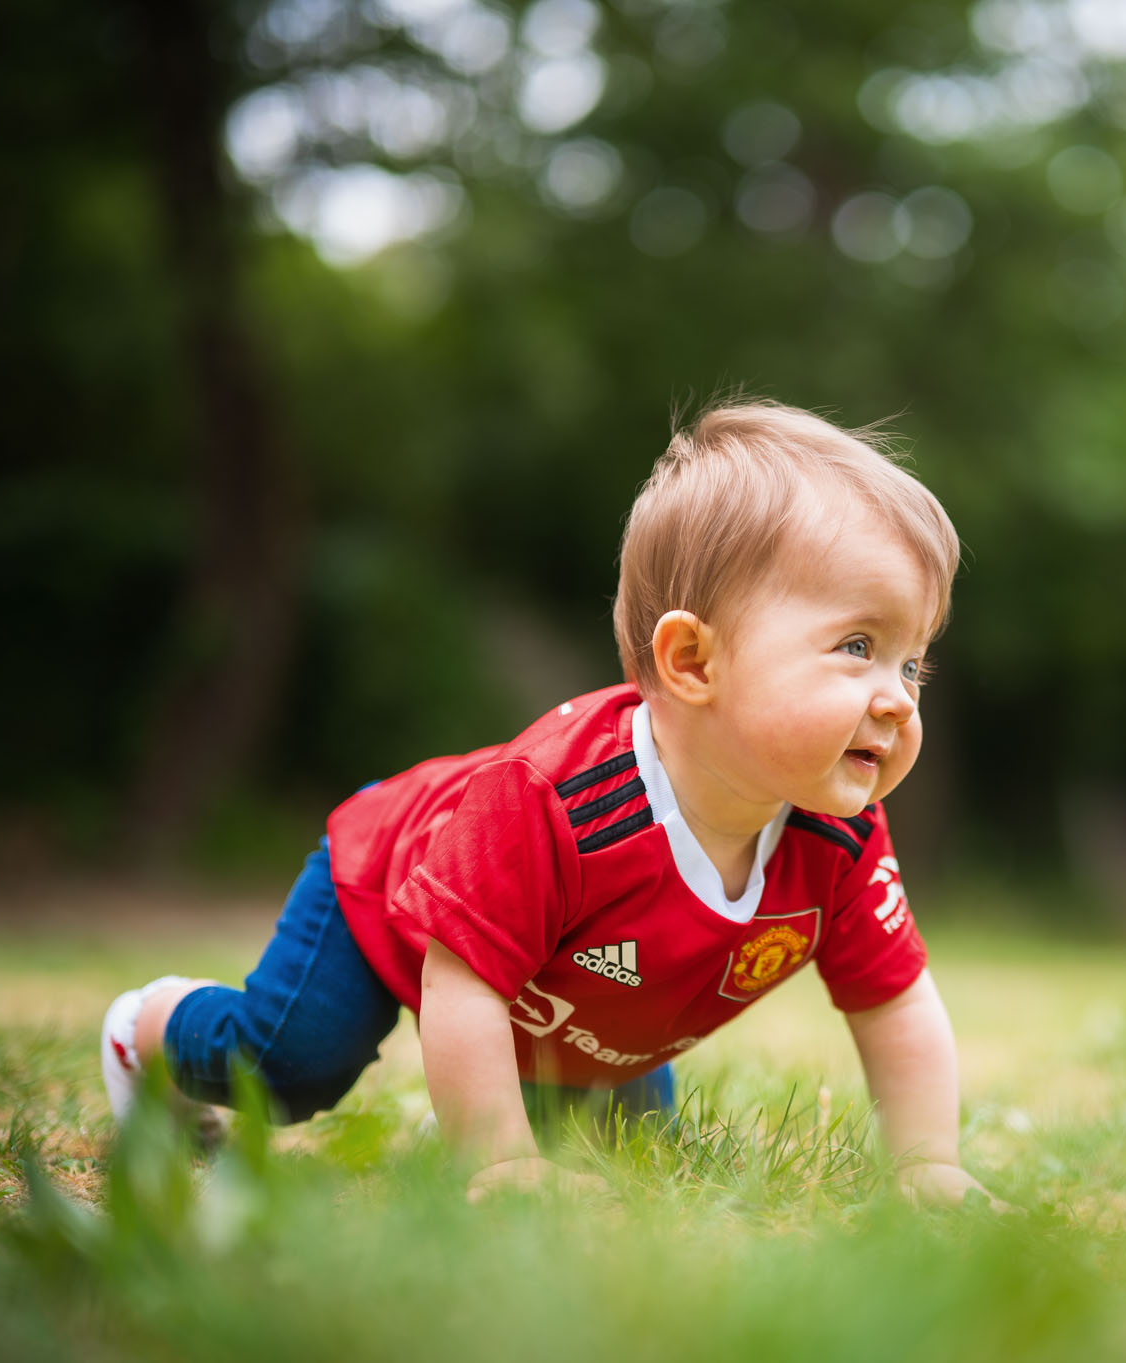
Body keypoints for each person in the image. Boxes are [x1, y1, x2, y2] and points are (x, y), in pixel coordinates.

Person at [99, 399, 995, 1206]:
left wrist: (927, 1164)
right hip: (391, 883)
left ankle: (530, 1102)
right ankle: (147, 1031)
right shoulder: (558, 801)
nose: (899, 697)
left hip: (572, 1003)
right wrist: (495, 1162)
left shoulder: (839, 835)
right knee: (292, 1067)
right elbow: (463, 978)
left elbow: (897, 1002)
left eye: (912, 660)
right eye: (856, 645)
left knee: (621, 1156)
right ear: (692, 662)